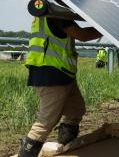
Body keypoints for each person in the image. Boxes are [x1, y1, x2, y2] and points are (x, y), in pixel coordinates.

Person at [18, 12, 102, 157]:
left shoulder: (52, 12)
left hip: (62, 73)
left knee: (75, 110)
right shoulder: (55, 12)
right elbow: (82, 35)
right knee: (46, 122)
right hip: (51, 73)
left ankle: (64, 149)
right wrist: (106, 28)